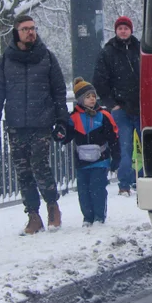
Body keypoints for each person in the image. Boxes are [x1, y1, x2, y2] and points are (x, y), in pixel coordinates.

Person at [0, 13, 68, 235]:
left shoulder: (47, 58)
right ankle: (33, 214)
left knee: (40, 165)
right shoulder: (4, 61)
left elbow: (59, 92)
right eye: (25, 29)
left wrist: (62, 121)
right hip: (16, 124)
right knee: (23, 172)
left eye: (33, 28)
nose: (30, 32)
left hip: (41, 122)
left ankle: (52, 206)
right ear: (16, 33)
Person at [57, 78, 119, 226]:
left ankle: (99, 216)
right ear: (80, 99)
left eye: (93, 96)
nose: (92, 99)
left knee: (97, 189)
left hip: (100, 160)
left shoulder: (104, 116)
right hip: (82, 162)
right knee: (83, 192)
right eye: (87, 96)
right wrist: (60, 134)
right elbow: (66, 136)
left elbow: (114, 137)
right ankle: (87, 217)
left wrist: (116, 156)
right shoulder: (73, 118)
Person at [93, 16, 140, 196]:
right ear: (115, 31)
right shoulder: (108, 53)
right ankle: (125, 183)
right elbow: (99, 80)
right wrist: (111, 104)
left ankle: (143, 180)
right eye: (120, 28)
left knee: (147, 146)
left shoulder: (140, 48)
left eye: (125, 28)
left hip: (141, 107)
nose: (123, 31)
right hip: (121, 108)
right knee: (124, 147)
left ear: (131, 30)